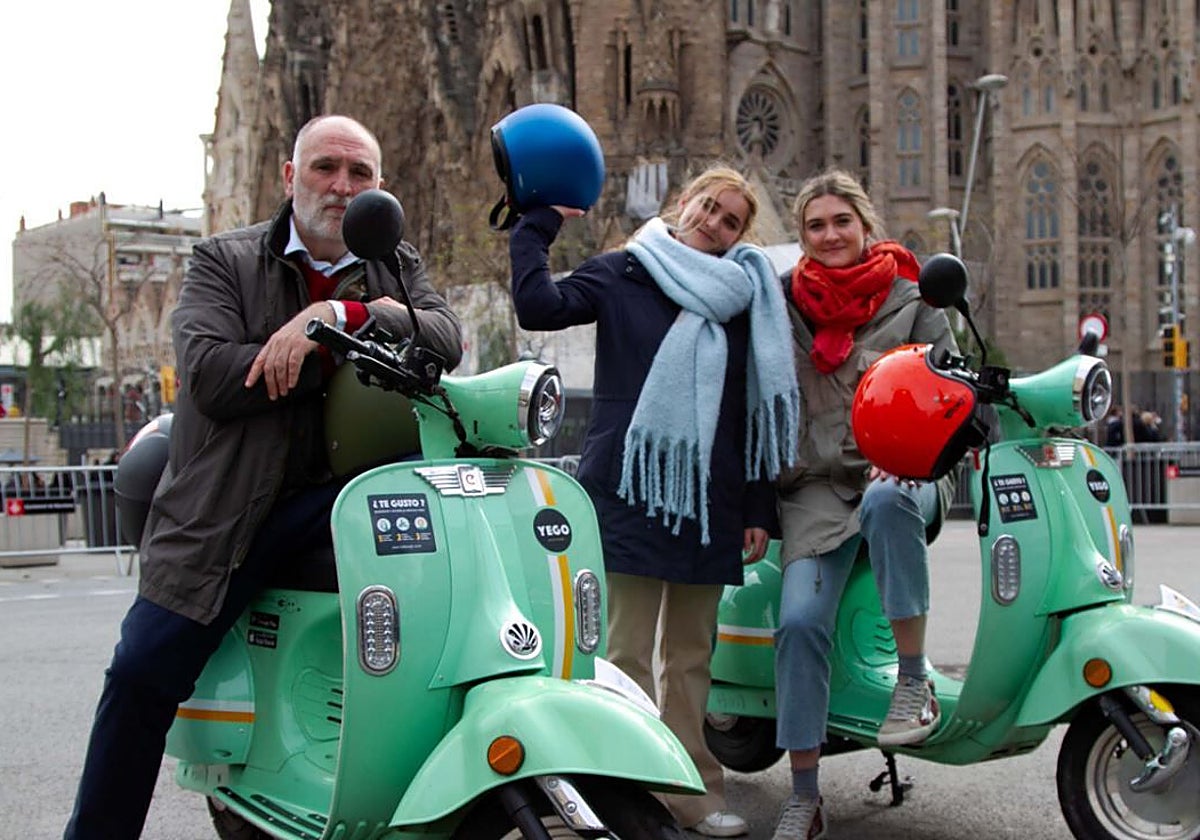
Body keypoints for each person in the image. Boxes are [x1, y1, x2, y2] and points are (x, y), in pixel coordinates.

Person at [64, 114, 463, 839]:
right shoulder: (223, 257)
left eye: (360, 174)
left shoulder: (390, 263)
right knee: (140, 676)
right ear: (290, 177)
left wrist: (335, 314)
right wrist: (334, 353)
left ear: (380, 190)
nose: (342, 186)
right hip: (228, 512)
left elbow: (444, 336)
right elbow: (215, 377)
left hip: (342, 502)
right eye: (325, 168)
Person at [508, 166, 799, 837]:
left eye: (731, 221)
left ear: (737, 236)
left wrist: (759, 507)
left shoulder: (741, 297)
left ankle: (693, 796)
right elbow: (538, 306)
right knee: (625, 655)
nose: (716, 222)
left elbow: (750, 408)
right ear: (684, 203)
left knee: (692, 659)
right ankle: (621, 795)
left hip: (712, 495)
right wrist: (536, 226)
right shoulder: (624, 272)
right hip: (631, 486)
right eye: (709, 206)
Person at [770, 169, 958, 840]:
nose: (829, 235)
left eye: (840, 221)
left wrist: (910, 444)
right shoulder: (784, 305)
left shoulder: (913, 298)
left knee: (887, 499)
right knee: (796, 624)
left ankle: (914, 679)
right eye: (815, 226)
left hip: (906, 472)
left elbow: (953, 390)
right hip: (817, 489)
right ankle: (804, 795)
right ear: (802, 236)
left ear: (864, 224)